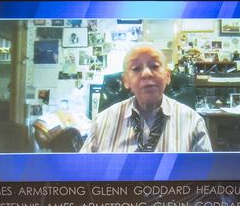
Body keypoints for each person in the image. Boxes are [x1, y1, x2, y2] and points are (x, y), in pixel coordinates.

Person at [81, 45, 212, 153]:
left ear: (167, 76)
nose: (146, 74)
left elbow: (206, 180)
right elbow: (81, 174)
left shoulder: (193, 123)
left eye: (154, 66)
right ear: (126, 81)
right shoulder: (101, 122)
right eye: (136, 68)